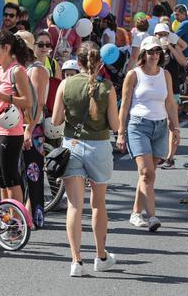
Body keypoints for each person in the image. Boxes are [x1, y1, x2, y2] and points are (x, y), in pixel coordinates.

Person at [51, 42, 120, 277]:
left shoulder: (66, 84)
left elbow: (56, 120)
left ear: (77, 62)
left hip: (71, 145)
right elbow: (116, 124)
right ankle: (100, 256)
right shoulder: (107, 88)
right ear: (99, 63)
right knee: (98, 204)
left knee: (74, 206)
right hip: (99, 146)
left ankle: (76, 261)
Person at [118, 36, 179, 232]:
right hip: (138, 126)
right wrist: (120, 132)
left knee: (147, 176)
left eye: (158, 51)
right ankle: (152, 216)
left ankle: (136, 212)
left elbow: (170, 102)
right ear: (143, 54)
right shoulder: (134, 75)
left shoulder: (165, 74)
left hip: (160, 127)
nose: (154, 55)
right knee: (146, 173)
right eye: (151, 51)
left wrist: (175, 127)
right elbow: (125, 105)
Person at [0, 30, 34, 208]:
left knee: (11, 178)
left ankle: (17, 222)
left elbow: (27, 102)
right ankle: (6, 218)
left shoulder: (17, 70)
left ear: (6, 48)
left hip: (11, 131)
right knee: (1, 180)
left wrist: (4, 97)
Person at [15, 31, 50, 227]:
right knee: (22, 172)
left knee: (33, 173)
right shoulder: (22, 68)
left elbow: (37, 104)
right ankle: (25, 214)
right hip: (19, 125)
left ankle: (35, 216)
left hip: (32, 128)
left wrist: (29, 128)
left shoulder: (36, 70)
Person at [153, 24, 188, 169]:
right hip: (156, 92)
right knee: (159, 124)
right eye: (159, 35)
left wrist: (171, 47)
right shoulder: (153, 51)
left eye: (165, 34)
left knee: (172, 123)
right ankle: (161, 155)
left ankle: (170, 158)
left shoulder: (174, 47)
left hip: (172, 91)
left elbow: (183, 62)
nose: (162, 37)